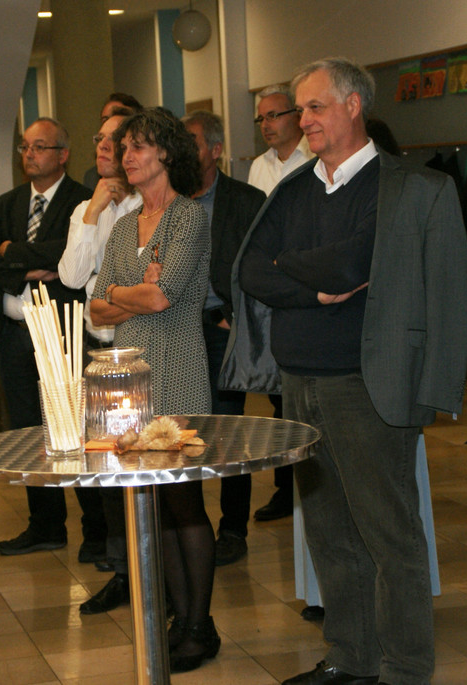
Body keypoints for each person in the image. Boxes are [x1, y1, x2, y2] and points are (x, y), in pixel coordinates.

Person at [223, 57, 467, 685]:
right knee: (329, 534)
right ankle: (351, 659)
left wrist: (291, 266)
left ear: (353, 105)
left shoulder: (407, 188)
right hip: (298, 383)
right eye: (299, 109)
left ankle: (405, 668)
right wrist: (310, 289)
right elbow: (249, 270)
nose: (301, 120)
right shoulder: (294, 189)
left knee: (389, 535)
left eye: (314, 107)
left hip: (368, 384)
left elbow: (352, 265)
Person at [90, 107, 217, 673]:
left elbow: (162, 297)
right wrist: (130, 290)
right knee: (152, 502)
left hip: (179, 371)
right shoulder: (123, 226)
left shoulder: (188, 217)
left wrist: (124, 293)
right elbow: (95, 307)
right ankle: (177, 618)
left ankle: (200, 625)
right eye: (124, 149)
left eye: (138, 146)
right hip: (130, 384)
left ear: (166, 152)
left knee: (184, 502)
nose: (127, 157)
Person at [0, 117, 106, 561]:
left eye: (40, 147)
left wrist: (13, 252)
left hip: (63, 332)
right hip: (14, 335)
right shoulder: (7, 203)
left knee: (74, 430)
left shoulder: (82, 200)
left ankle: (96, 530)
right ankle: (46, 525)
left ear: (63, 154)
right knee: (29, 432)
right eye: (25, 147)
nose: (29, 154)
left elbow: (66, 256)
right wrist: (29, 267)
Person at [58, 107, 143, 615]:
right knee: (109, 467)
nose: (105, 147)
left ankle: (160, 576)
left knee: (151, 468)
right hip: (102, 352)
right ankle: (122, 573)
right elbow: (72, 277)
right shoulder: (87, 207)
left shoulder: (149, 204)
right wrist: (92, 212)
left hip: (144, 348)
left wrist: (108, 296)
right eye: (100, 138)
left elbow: (142, 289)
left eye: (117, 139)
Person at [181, 110, 265, 566]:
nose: (182, 150)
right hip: (175, 332)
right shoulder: (166, 199)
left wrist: (238, 317)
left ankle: (233, 528)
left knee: (230, 433)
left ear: (215, 150)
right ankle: (188, 526)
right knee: (180, 433)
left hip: (219, 329)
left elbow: (261, 264)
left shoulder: (246, 201)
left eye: (191, 142)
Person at [246, 83, 315, 524]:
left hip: (305, 280)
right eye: (261, 118)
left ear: (296, 116)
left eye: (274, 115)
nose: (267, 125)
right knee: (278, 401)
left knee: (304, 398)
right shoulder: (259, 167)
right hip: (270, 285)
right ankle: (284, 490)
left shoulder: (314, 160)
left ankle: (309, 487)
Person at [83, 92, 143, 189]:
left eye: (115, 138)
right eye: (100, 138)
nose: (102, 146)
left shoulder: (148, 196)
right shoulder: (92, 183)